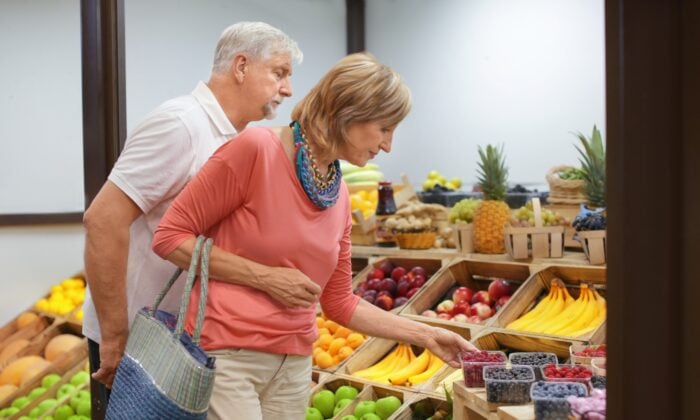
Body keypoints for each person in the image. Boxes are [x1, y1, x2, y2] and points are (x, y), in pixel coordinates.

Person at [152, 52, 478, 420]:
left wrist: (427, 336)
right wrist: (265, 277)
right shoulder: (255, 150)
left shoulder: (337, 195)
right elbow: (169, 237)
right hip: (228, 358)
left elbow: (339, 302)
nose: (388, 145)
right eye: (385, 128)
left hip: (293, 366)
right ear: (349, 111)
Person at [81, 22, 310, 419]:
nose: (287, 90)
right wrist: (115, 337)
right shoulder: (181, 125)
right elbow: (103, 220)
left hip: (188, 340)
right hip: (143, 341)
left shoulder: (235, 139)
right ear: (241, 66)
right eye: (279, 73)